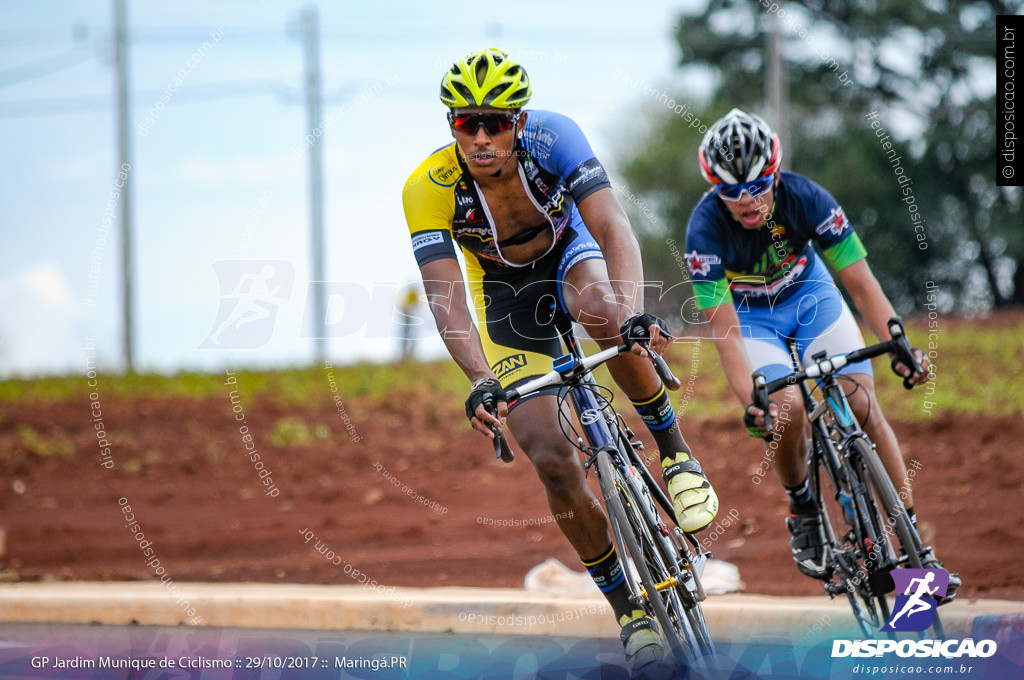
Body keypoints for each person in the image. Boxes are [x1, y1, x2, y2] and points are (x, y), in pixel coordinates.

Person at [402, 48, 719, 668]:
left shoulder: (556, 136)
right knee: (549, 457)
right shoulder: (428, 188)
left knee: (603, 312)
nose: (483, 136)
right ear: (452, 126)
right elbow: (445, 299)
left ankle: (675, 453)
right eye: (467, 123)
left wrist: (630, 315)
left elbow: (611, 225)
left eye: (496, 121)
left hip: (570, 256)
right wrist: (481, 380)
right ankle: (628, 609)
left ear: (519, 121)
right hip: (503, 297)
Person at [684, 108, 959, 597]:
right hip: (752, 320)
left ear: (776, 174)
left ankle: (915, 541)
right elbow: (725, 333)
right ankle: (804, 508)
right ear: (714, 188)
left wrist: (900, 343)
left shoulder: (808, 198)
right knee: (787, 411)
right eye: (731, 192)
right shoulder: (703, 231)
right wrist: (753, 400)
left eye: (759, 186)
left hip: (811, 298)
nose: (747, 202)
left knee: (862, 404)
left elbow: (861, 284)